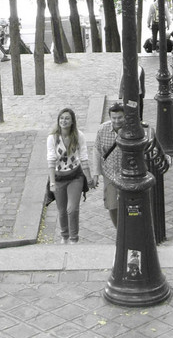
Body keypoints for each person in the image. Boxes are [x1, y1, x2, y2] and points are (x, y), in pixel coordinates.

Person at [46, 107, 95, 244]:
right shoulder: (52, 138)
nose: (64, 121)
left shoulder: (79, 136)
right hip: (59, 177)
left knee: (72, 209)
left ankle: (74, 239)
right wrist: (52, 182)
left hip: (75, 176)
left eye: (67, 118)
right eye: (61, 118)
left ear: (72, 121)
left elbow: (84, 157)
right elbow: (51, 160)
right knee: (62, 211)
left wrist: (89, 178)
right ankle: (64, 237)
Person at [93, 102, 125, 227]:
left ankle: (128, 229)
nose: (117, 121)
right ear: (110, 117)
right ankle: (119, 230)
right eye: (114, 118)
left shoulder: (132, 128)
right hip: (110, 174)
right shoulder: (103, 129)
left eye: (120, 117)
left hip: (126, 174)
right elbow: (96, 150)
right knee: (112, 205)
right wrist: (96, 173)